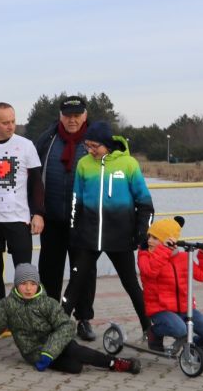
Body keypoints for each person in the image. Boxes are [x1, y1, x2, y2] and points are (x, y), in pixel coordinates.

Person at [62, 121, 153, 341]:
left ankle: (150, 330)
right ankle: (59, 327)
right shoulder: (84, 164)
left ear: (107, 144)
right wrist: (74, 230)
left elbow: (145, 202)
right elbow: (76, 200)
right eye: (88, 146)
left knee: (131, 284)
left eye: (95, 146)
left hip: (120, 237)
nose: (91, 151)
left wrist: (141, 233)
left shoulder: (128, 164)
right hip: (89, 237)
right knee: (75, 283)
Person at [0, 264, 141, 374]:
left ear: (37, 284)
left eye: (32, 284)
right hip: (34, 353)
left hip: (56, 344)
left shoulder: (47, 302)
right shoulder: (7, 305)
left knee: (74, 349)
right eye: (23, 284)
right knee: (75, 368)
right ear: (16, 285)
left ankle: (115, 364)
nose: (28, 288)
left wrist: (51, 350)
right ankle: (88, 360)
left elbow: (66, 325)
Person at [0, 103, 44, 322]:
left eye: (13, 121)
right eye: (5, 122)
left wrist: (38, 213)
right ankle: (2, 315)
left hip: (18, 217)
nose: (10, 126)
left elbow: (36, 184)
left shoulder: (26, 146)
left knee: (24, 271)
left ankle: (26, 315)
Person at [139, 217, 203, 357]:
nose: (149, 240)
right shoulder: (144, 256)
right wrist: (164, 250)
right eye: (149, 236)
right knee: (180, 329)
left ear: (170, 240)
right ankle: (154, 332)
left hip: (186, 310)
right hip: (160, 310)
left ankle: (193, 346)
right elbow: (150, 271)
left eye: (155, 238)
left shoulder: (183, 258)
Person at [34, 96, 89, 301]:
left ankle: (84, 317)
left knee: (83, 271)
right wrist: (36, 211)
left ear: (85, 115)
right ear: (60, 116)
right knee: (49, 270)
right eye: (67, 116)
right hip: (52, 218)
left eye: (76, 115)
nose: (72, 120)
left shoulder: (94, 142)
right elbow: (33, 176)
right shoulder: (48, 140)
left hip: (83, 220)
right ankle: (50, 312)